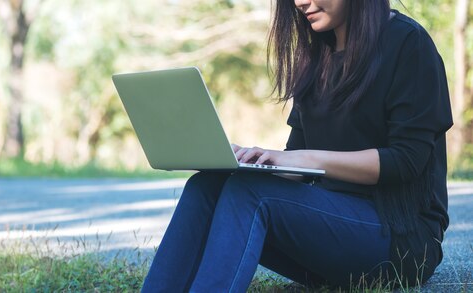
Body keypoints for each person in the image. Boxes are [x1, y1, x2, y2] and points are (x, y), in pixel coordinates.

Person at [141, 0, 453, 291]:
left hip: (401, 238)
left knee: (250, 194)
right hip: (330, 231)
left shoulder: (409, 43)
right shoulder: (317, 53)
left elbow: (406, 161)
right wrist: (248, 162)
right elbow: (298, 167)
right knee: (208, 186)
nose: (300, 1)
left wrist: (305, 159)